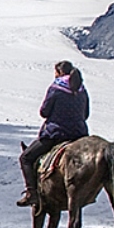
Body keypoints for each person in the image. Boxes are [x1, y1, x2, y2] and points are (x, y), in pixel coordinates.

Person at [17, 61, 89, 215]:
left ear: (59, 72)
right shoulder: (81, 89)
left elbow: (44, 112)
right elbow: (86, 114)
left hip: (56, 134)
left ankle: (32, 193)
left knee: (26, 158)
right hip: (79, 135)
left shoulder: (56, 88)